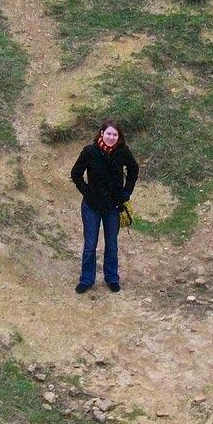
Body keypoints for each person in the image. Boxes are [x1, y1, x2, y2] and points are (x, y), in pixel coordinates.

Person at [70, 120, 139, 294]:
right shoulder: (89, 151)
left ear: (119, 137)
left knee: (112, 244)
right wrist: (86, 191)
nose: (111, 137)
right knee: (90, 244)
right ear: (102, 133)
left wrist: (126, 193)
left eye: (115, 135)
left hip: (113, 206)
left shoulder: (123, 152)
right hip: (91, 206)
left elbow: (133, 170)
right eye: (108, 133)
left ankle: (112, 278)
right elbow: (76, 173)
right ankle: (87, 279)